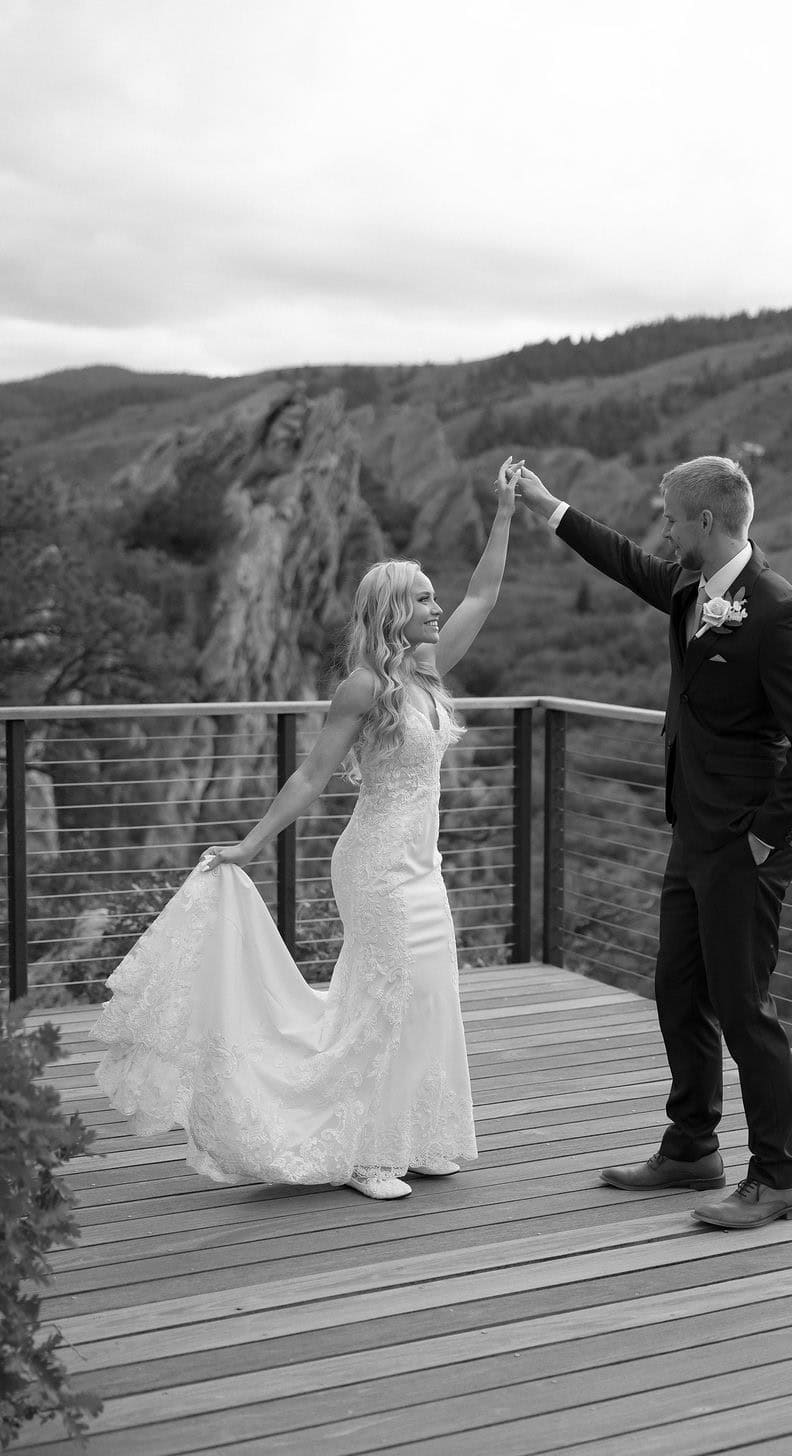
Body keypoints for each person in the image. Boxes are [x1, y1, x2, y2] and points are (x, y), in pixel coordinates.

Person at [94, 457, 522, 1200]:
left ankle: (411, 1137)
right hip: (376, 866)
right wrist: (253, 845)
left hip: (425, 870)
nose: (435, 605)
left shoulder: (426, 671)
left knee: (427, 994)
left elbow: (484, 594)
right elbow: (311, 777)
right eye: (422, 599)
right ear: (392, 610)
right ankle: (362, 1155)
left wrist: (507, 511)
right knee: (382, 1000)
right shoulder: (364, 687)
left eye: (432, 597)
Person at [514, 456, 792, 1228]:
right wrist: (545, 506)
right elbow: (625, 560)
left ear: (705, 521)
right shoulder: (693, 589)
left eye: (669, 515)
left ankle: (780, 1175)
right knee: (678, 989)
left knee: (743, 1006)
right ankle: (693, 1146)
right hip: (691, 831)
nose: (660, 528)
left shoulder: (777, 613)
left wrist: (766, 839)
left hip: (743, 846)